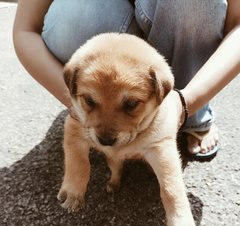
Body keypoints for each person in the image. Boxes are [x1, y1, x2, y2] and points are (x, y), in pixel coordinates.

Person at [13, 0, 240, 160]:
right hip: (109, 20)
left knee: (196, 4)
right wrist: (77, 105)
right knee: (71, 21)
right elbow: (25, 29)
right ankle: (101, 105)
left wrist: (189, 100)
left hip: (174, 45)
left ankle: (191, 117)